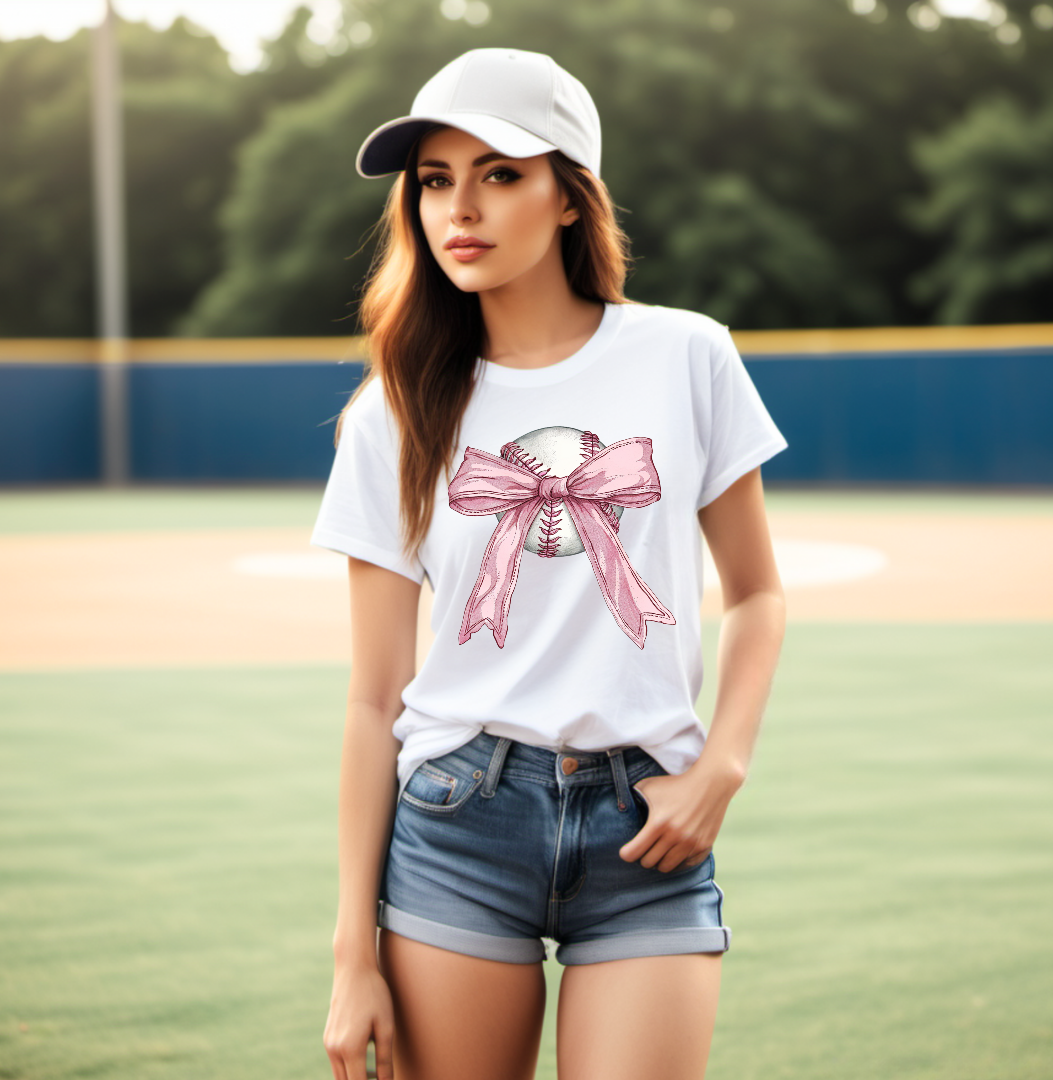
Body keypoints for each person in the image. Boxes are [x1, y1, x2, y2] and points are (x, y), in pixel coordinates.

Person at [314, 46, 788, 1080]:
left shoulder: (685, 356)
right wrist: (354, 953)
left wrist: (722, 766)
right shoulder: (393, 412)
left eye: (500, 173)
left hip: (648, 829)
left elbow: (756, 595)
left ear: (570, 197)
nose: (459, 209)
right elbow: (372, 699)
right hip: (459, 821)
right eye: (435, 181)